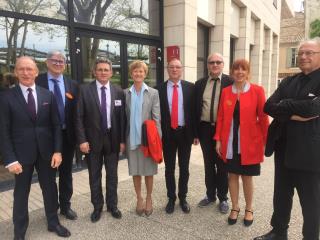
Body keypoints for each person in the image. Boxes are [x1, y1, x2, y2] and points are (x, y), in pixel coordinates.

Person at [254, 38, 320, 240]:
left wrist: (285, 106)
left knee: (311, 202)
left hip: (310, 152)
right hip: (283, 148)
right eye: (300, 53)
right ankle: (279, 231)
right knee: (281, 195)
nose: (303, 56)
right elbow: (268, 105)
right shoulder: (289, 81)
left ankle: (310, 237)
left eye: (309, 53)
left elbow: (314, 108)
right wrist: (294, 111)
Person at [0, 56, 71, 239]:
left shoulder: (47, 95)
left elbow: (55, 125)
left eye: (29, 69)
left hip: (47, 152)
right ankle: (20, 231)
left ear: (36, 72)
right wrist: (10, 159)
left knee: (50, 188)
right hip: (20, 155)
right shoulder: (6, 97)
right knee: (21, 193)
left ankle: (53, 222)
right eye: (21, 69)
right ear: (16, 72)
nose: (26, 73)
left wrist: (57, 151)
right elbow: (3, 131)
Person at [214, 59, 269, 226]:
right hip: (230, 142)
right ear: (232, 72)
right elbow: (221, 116)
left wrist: (266, 141)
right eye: (236, 69)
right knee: (232, 175)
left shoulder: (257, 91)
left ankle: (249, 208)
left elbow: (263, 117)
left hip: (250, 142)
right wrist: (218, 139)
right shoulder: (226, 92)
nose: (239, 72)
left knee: (247, 177)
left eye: (243, 69)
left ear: (247, 72)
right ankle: (235, 207)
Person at [75, 58, 125, 222]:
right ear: (94, 72)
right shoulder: (84, 90)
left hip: (112, 139)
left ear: (111, 72)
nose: (103, 72)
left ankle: (112, 205)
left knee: (112, 175)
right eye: (100, 69)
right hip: (92, 141)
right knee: (94, 176)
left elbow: (122, 119)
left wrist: (122, 140)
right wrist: (82, 140)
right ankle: (97, 207)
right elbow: (79, 117)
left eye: (106, 70)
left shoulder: (118, 91)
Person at [36, 51, 79, 220]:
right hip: (45, 137)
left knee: (66, 173)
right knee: (48, 175)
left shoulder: (72, 85)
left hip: (67, 135)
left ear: (65, 64)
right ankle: (52, 208)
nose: (58, 63)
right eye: (54, 60)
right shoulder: (37, 81)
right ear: (47, 62)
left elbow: (76, 113)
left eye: (61, 61)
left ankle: (65, 206)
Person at [194, 53, 233, 213]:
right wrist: (195, 133)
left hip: (223, 130)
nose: (215, 65)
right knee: (208, 164)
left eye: (218, 62)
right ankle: (210, 195)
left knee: (222, 165)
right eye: (212, 62)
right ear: (208, 65)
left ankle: (223, 198)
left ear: (223, 64)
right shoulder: (200, 83)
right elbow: (195, 109)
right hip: (204, 129)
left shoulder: (231, 82)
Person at [158, 58, 196, 214]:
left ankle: (183, 197)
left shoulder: (190, 88)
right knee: (169, 169)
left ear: (181, 70)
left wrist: (195, 134)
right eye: (172, 67)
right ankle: (171, 198)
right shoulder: (158, 89)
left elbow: (194, 113)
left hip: (185, 133)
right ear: (167, 69)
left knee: (185, 168)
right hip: (167, 134)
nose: (174, 69)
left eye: (177, 67)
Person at [124, 60, 161, 217]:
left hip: (148, 140)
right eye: (135, 71)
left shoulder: (153, 93)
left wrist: (158, 141)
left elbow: (156, 117)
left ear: (145, 74)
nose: (138, 74)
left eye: (141, 71)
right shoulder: (125, 93)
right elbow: (123, 118)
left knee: (148, 171)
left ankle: (149, 198)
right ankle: (139, 198)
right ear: (131, 74)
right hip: (131, 139)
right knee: (136, 171)